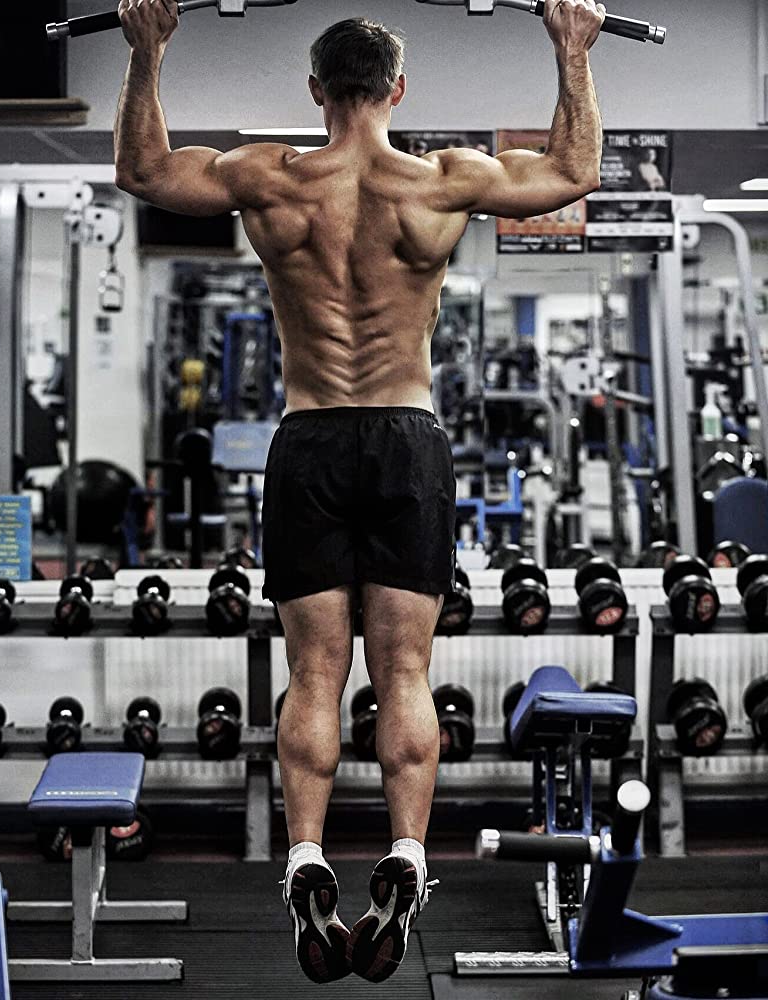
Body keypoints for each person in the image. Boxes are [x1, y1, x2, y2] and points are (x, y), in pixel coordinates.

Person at [114, 0, 605, 983]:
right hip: (407, 440)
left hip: (308, 439)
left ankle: (305, 855)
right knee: (405, 671)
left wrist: (148, 50)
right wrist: (570, 48)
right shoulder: (442, 180)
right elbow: (572, 173)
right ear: (397, 90)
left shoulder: (267, 177)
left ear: (314, 91)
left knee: (314, 672)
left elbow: (143, 171)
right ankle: (407, 853)